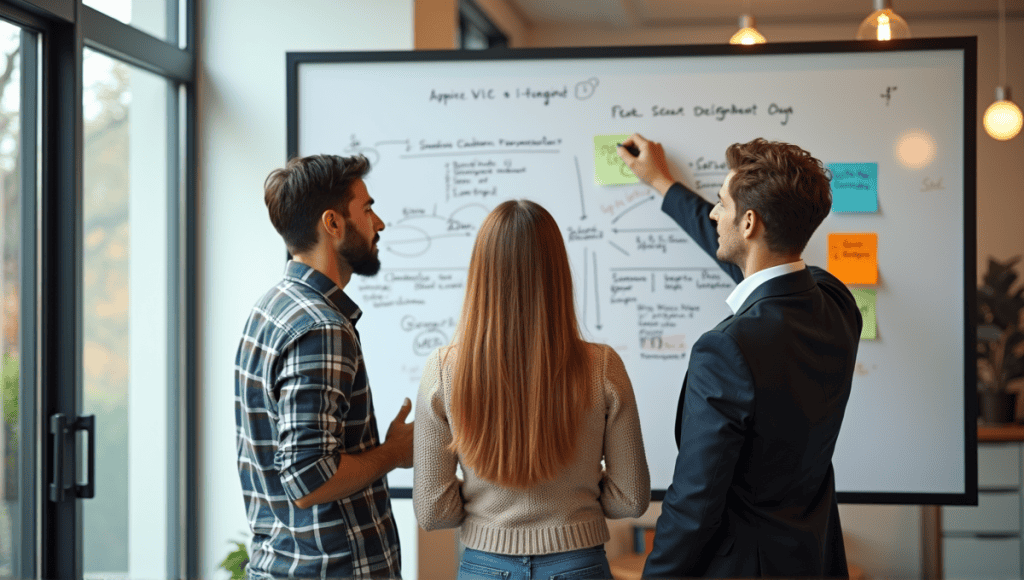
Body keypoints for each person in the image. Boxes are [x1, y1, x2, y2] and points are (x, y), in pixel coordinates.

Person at [617, 134, 862, 579]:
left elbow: (695, 503)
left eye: (720, 204)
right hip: (813, 561)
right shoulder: (837, 302)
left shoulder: (726, 349)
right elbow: (760, 272)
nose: (713, 213)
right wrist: (663, 184)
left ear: (749, 223)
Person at [413, 200, 651, 580]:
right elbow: (632, 498)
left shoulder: (443, 369)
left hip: (483, 566)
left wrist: (489, 500)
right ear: (559, 272)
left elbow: (433, 511)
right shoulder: (603, 366)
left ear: (480, 274)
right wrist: (576, 491)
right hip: (579, 563)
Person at [235, 154, 414, 580]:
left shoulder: (271, 309)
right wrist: (394, 453)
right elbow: (309, 479)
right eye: (367, 209)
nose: (380, 224)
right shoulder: (321, 327)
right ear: (332, 224)